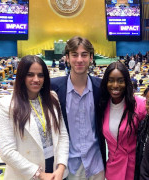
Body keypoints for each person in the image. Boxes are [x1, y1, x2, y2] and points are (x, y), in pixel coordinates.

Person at [0, 55, 69, 180]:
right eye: (30, 74)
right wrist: (39, 174)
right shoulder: (6, 104)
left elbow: (62, 135)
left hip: (55, 169)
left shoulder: (52, 98)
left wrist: (61, 167)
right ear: (21, 76)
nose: (36, 79)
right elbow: (7, 152)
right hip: (26, 173)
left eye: (40, 75)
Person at [50, 36, 105, 179]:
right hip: (68, 167)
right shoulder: (53, 88)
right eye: (74, 55)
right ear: (67, 58)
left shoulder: (101, 87)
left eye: (84, 55)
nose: (79, 59)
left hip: (97, 165)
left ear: (91, 58)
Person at [99, 61, 147, 180]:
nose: (115, 85)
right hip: (113, 169)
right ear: (106, 82)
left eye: (120, 80)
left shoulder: (139, 105)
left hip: (136, 168)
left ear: (127, 82)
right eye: (111, 80)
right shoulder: (102, 106)